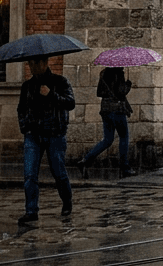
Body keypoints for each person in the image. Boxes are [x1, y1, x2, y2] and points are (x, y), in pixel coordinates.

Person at [18, 57, 75, 224]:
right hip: (33, 134)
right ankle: (31, 210)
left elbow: (70, 103)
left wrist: (51, 94)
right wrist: (25, 126)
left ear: (44, 63)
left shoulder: (60, 82)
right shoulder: (27, 86)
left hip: (54, 134)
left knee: (59, 172)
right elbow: (21, 108)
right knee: (29, 175)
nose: (32, 67)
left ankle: (67, 201)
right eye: (30, 63)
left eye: (35, 63)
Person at [78, 66, 134, 177]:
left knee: (108, 139)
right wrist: (128, 84)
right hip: (117, 110)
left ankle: (85, 161)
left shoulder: (104, 73)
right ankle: (125, 168)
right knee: (124, 137)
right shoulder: (119, 73)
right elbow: (121, 91)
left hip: (105, 110)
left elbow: (99, 92)